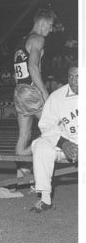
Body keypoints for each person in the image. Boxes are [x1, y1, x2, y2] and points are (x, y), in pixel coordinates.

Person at [30, 64, 78, 213]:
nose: (73, 81)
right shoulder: (57, 96)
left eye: (79, 77)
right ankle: (45, 199)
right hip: (67, 147)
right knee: (40, 145)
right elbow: (46, 125)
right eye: (70, 76)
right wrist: (63, 143)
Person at [13, 8, 54, 176]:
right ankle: (38, 152)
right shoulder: (38, 39)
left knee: (24, 136)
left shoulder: (21, 41)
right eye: (50, 25)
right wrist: (44, 92)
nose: (51, 30)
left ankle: (21, 175)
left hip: (20, 90)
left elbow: (16, 71)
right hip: (31, 90)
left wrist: (20, 90)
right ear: (42, 22)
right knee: (54, 128)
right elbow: (32, 66)